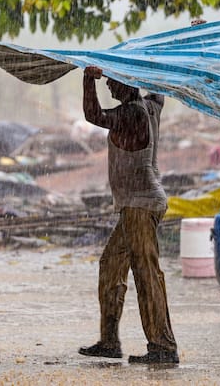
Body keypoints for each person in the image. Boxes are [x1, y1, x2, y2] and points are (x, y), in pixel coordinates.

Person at [78, 65, 179, 364]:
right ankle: (109, 341)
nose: (109, 85)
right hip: (136, 205)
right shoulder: (151, 105)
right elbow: (161, 85)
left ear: (129, 84)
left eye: (113, 81)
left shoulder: (132, 113)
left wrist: (87, 80)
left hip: (140, 205)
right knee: (111, 266)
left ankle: (162, 346)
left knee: (146, 274)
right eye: (107, 80)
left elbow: (93, 115)